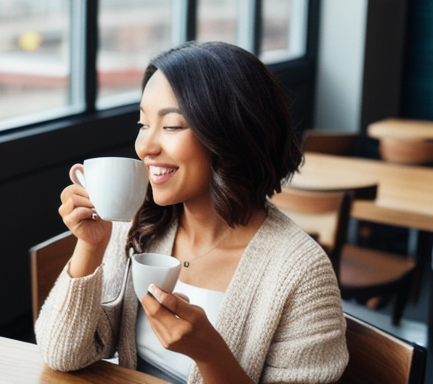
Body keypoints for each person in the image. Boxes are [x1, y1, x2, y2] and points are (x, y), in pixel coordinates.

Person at [35, 41, 348, 384]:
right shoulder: (138, 226)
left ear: (231, 133)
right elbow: (61, 354)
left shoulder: (301, 272)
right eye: (143, 124)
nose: (145, 147)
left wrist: (210, 355)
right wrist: (91, 246)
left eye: (171, 126)